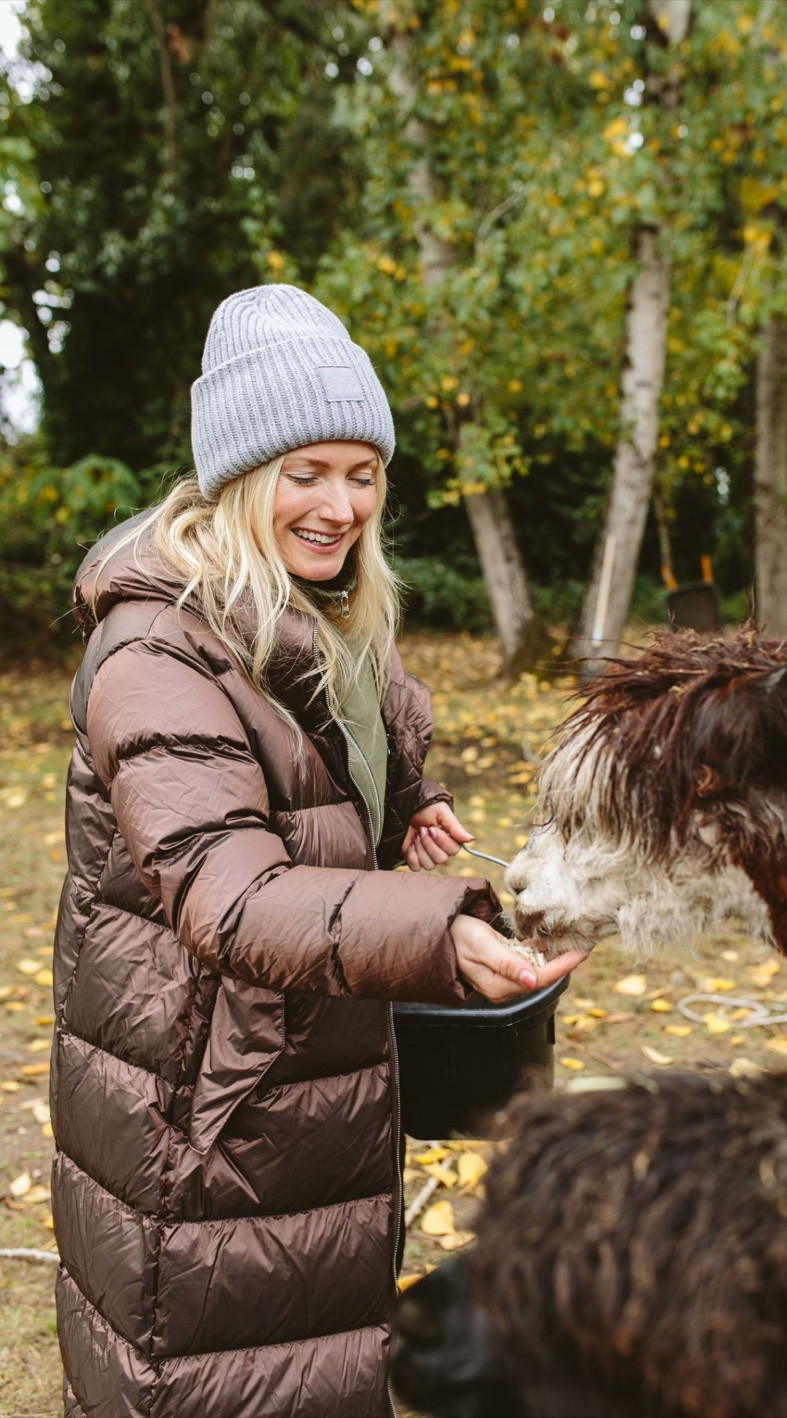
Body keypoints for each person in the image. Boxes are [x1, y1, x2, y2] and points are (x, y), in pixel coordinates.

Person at [50, 285, 584, 1418]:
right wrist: (441, 930)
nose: (341, 504)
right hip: (206, 1113)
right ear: (240, 474)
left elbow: (312, 770)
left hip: (305, 1085)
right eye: (306, 470)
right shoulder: (159, 646)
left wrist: (407, 803)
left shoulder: (318, 616)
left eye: (363, 471)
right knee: (217, 1374)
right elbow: (231, 895)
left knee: (318, 1360)